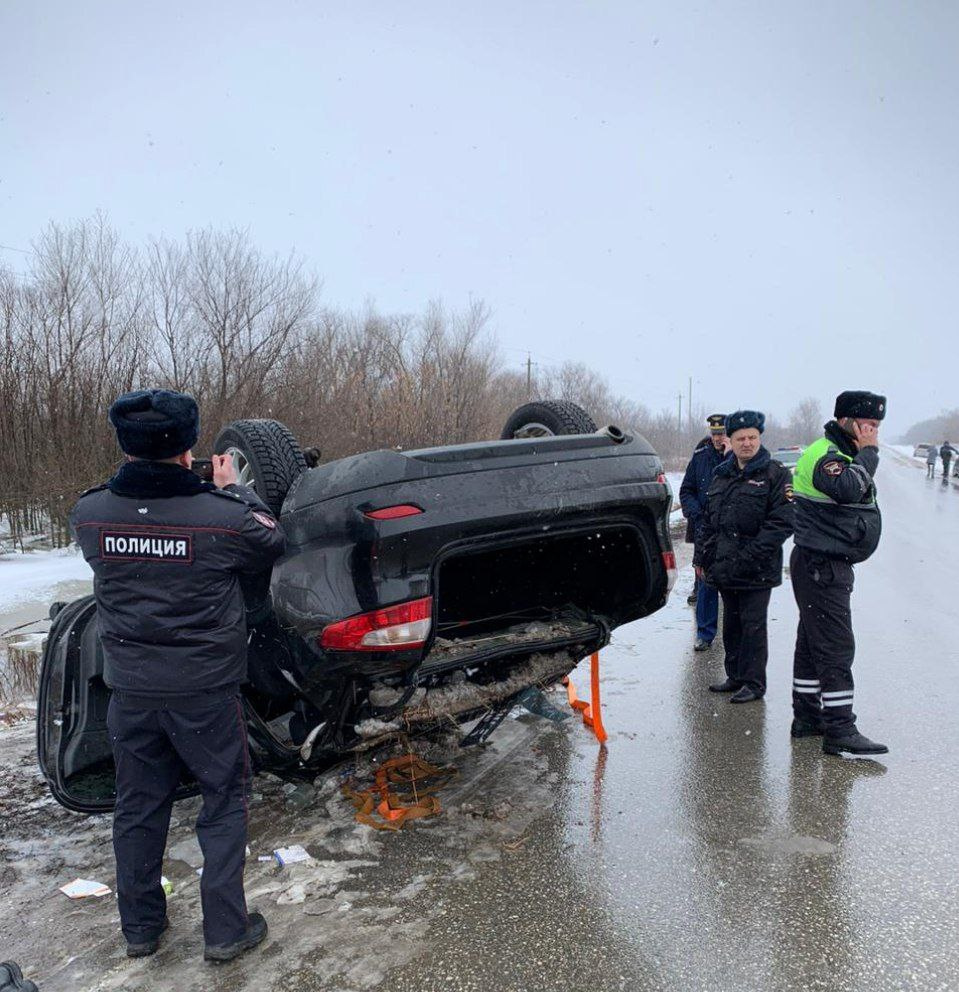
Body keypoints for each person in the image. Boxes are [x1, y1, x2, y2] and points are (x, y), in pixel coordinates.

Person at [70, 390, 287, 962]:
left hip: (131, 691)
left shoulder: (90, 515)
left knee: (138, 805)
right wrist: (233, 486)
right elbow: (273, 538)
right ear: (188, 444)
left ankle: (140, 928)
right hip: (205, 693)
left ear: (125, 444)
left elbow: (140, 532)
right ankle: (224, 931)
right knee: (224, 798)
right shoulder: (225, 518)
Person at [789, 390, 887, 755]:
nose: (873, 432)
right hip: (821, 565)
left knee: (812, 645)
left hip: (821, 564)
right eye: (868, 424)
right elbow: (848, 488)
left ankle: (807, 717)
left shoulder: (841, 453)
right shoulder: (827, 456)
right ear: (847, 421)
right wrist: (870, 453)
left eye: (877, 426)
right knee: (835, 647)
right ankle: (840, 728)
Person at [694, 411, 793, 702]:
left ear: (759, 438)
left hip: (756, 569)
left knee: (753, 627)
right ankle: (735, 675)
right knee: (732, 626)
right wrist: (702, 558)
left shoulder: (774, 474)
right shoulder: (722, 474)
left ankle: (754, 682)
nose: (747, 443)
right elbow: (710, 522)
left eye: (752, 437)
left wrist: (748, 556)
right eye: (740, 439)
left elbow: (782, 523)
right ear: (731, 441)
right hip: (725, 567)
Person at [679, 414, 728, 648]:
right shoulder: (700, 457)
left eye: (723, 433)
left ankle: (734, 636)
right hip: (705, 530)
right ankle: (705, 634)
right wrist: (696, 514)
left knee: (731, 584)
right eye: (715, 433)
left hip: (731, 530)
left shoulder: (738, 457)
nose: (719, 438)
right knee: (706, 583)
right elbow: (686, 490)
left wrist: (729, 456)